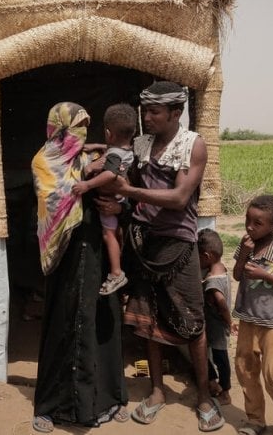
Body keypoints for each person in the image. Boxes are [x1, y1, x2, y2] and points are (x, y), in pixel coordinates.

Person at [108, 80, 225, 432]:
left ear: (177, 113)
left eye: (154, 112)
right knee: (148, 323)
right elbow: (117, 164)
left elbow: (178, 198)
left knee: (193, 322)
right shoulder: (141, 144)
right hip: (145, 245)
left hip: (179, 248)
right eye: (144, 111)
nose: (147, 118)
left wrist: (127, 190)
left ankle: (204, 397)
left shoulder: (192, 145)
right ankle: (158, 390)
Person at [30, 102, 128, 433]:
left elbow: (117, 187)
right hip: (66, 254)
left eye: (85, 129)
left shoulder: (86, 162)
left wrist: (118, 201)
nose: (81, 136)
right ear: (57, 131)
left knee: (99, 320)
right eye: (75, 129)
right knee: (63, 321)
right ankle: (49, 406)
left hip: (96, 252)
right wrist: (85, 179)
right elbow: (55, 199)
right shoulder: (44, 162)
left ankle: (109, 399)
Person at [231, 194, 273, 435]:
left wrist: (267, 277)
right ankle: (255, 420)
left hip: (272, 321)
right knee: (245, 369)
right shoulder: (246, 243)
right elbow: (237, 276)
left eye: (257, 223)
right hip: (247, 318)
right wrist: (242, 255)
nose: (250, 226)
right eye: (248, 220)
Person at [72, 103, 137, 296]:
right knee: (114, 234)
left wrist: (87, 185)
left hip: (110, 198)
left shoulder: (115, 155)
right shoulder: (127, 149)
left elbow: (110, 174)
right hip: (119, 201)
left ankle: (116, 272)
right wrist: (96, 146)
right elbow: (111, 149)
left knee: (108, 235)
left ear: (108, 133)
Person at [198, 228, 233, 406]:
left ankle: (225, 390)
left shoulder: (212, 282)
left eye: (199, 257)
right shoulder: (222, 269)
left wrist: (229, 322)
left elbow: (221, 302)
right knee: (210, 354)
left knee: (219, 357)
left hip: (217, 326)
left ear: (207, 256)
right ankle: (213, 382)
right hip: (217, 325)